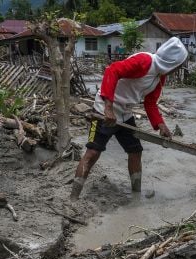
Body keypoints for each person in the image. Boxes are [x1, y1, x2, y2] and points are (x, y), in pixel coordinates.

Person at [71, 37, 188, 199]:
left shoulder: (160, 76)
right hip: (104, 109)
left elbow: (151, 102)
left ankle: (136, 195)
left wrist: (160, 124)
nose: (178, 69)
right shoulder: (144, 61)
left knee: (135, 151)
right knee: (92, 152)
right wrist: (108, 108)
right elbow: (112, 70)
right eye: (179, 65)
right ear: (172, 63)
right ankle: (73, 198)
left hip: (125, 113)